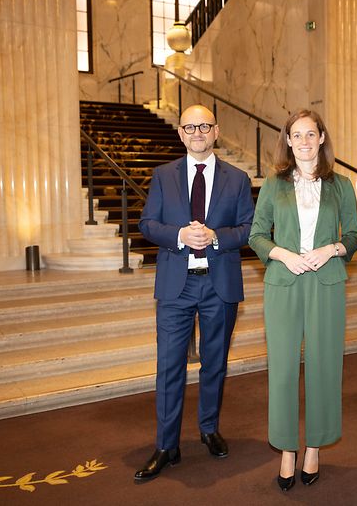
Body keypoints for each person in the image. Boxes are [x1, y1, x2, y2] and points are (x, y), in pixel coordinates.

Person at [134, 104, 254, 482]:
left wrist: (217, 237)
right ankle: (166, 445)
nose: (197, 133)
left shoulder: (238, 178)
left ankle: (209, 428)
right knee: (169, 366)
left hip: (220, 285)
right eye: (190, 127)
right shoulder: (162, 175)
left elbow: (249, 228)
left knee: (214, 363)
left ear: (216, 131)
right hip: (176, 285)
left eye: (204, 126)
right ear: (181, 134)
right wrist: (179, 235)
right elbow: (146, 223)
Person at [249, 110, 357, 491]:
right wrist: (283, 255)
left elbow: (354, 235)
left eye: (310, 134)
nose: (304, 141)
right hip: (283, 280)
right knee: (282, 369)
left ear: (322, 138)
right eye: (296, 135)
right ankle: (286, 449)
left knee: (324, 365)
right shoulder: (273, 184)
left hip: (326, 282)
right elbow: (257, 235)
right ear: (288, 141)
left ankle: (314, 447)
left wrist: (331, 249)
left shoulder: (341, 185)